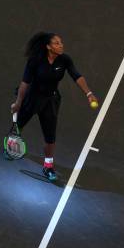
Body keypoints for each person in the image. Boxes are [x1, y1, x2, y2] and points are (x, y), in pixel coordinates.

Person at [10, 31, 98, 181]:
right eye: (57, 43)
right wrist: (18, 102)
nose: (61, 45)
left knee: (50, 136)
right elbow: (25, 83)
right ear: (48, 47)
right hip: (32, 97)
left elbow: (77, 76)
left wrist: (89, 94)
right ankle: (11, 145)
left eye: (61, 42)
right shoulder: (35, 61)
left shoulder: (64, 60)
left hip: (51, 101)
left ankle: (48, 166)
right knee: (19, 125)